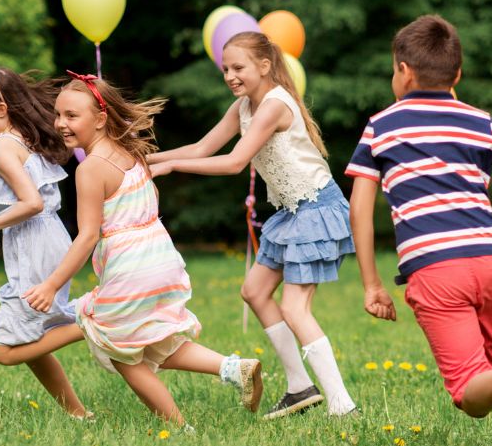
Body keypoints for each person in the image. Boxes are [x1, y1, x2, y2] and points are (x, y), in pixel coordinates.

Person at [345, 15, 492, 446]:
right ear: (458, 75)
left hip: (435, 267)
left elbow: (360, 209)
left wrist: (372, 285)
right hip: (491, 258)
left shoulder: (382, 126)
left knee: (471, 393)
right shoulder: (482, 123)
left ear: (404, 70)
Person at [22, 72, 263, 426]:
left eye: (71, 116)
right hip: (160, 257)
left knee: (120, 352)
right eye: (58, 115)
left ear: (100, 119)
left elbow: (88, 236)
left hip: (130, 266)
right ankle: (232, 368)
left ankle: (180, 430)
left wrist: (50, 284)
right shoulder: (132, 151)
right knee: (153, 343)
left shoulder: (90, 170)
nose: (61, 124)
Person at [149, 32, 356, 419]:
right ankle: (299, 388)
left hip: (315, 210)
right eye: (225, 68)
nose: (229, 75)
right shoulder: (244, 106)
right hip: (290, 211)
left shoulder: (275, 105)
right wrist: (147, 160)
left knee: (295, 309)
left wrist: (172, 167)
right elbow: (202, 148)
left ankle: (342, 405)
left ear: (264, 66)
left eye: (238, 67)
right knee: (255, 291)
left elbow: (233, 161)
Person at [0, 65, 91, 418]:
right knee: (28, 340)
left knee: (4, 350)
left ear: (0, 108)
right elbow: (28, 183)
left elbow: (31, 202)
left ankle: (91, 324)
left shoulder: (3, 146)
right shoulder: (18, 138)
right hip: (46, 240)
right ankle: (77, 413)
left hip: (36, 246)